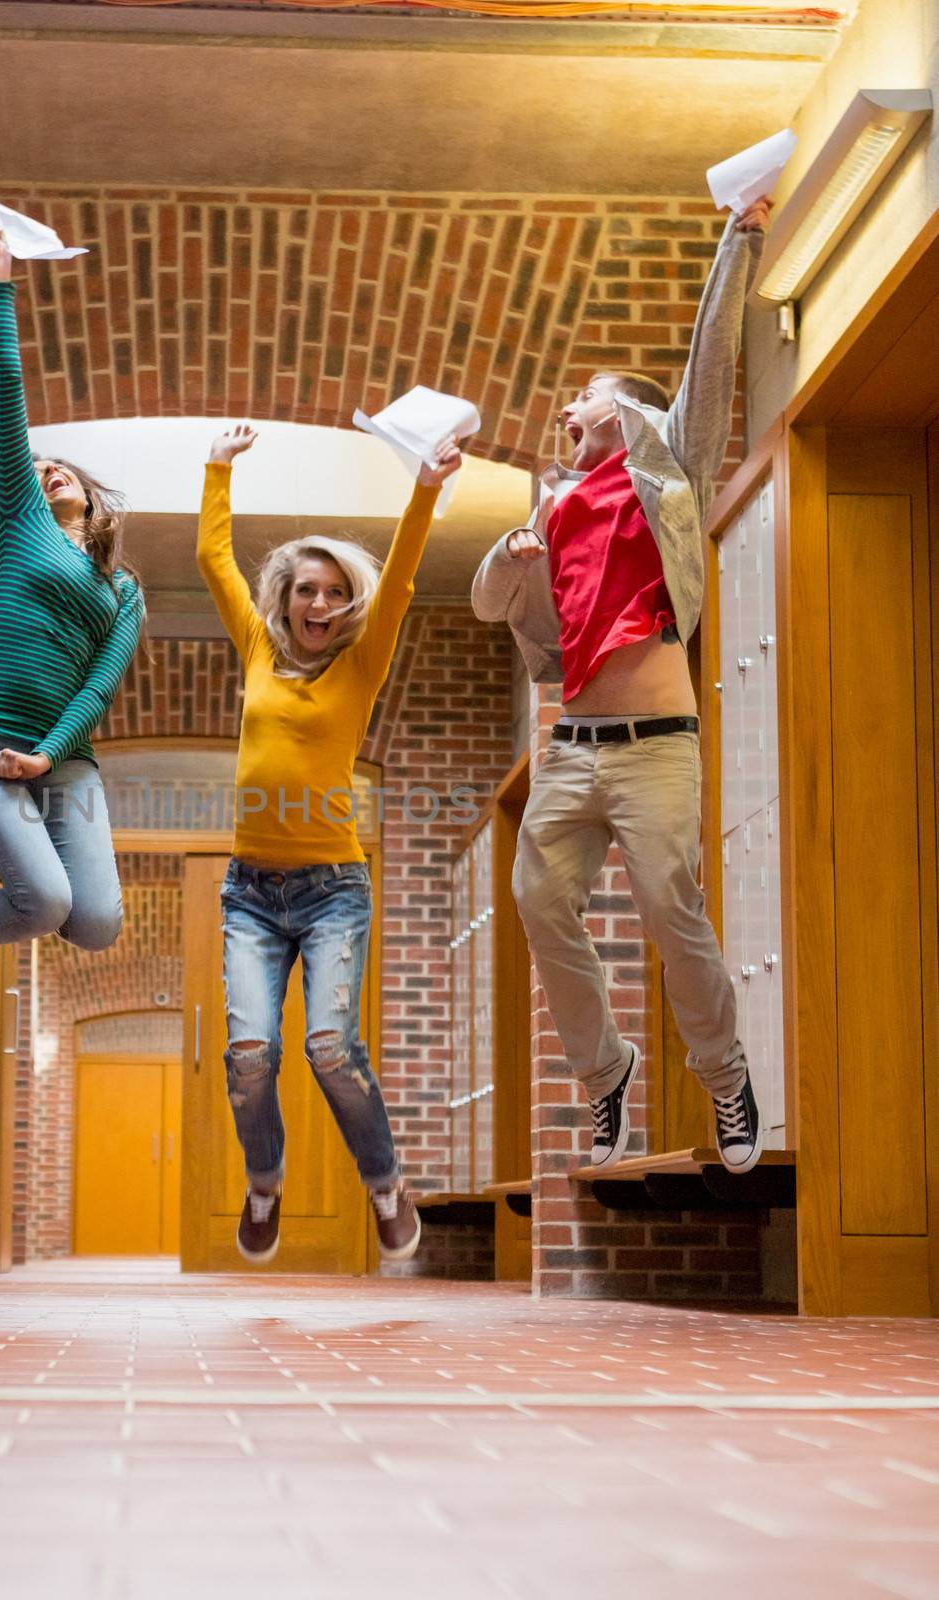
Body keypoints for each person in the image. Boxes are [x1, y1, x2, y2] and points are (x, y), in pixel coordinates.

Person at [472, 196, 773, 1175]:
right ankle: (605, 1075)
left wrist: (743, 235)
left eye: (580, 399)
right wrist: (511, 556)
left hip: (655, 748)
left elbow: (709, 369)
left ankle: (724, 1070)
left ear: (629, 410)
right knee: (536, 897)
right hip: (571, 749)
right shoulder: (553, 506)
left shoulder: (668, 472)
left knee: (667, 902)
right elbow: (487, 606)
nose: (564, 414)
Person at [199, 422, 461, 1264]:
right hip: (249, 891)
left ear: (349, 606)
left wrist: (424, 485)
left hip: (332, 889)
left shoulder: (362, 664)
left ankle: (384, 1185)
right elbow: (214, 562)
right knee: (248, 1054)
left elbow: (404, 576)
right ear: (286, 599)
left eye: (334, 594)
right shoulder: (255, 651)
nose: (319, 605)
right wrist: (215, 470)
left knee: (328, 1048)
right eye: (306, 590)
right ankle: (264, 1185)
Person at [0, 223, 144, 1023]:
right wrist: (2, 279)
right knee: (44, 902)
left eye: (63, 468)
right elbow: (7, 393)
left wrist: (47, 756)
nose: (48, 470)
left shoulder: (124, 587)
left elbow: (100, 682)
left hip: (64, 760)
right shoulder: (24, 525)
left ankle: (0, 898)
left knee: (97, 923)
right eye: (38, 468)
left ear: (90, 493)